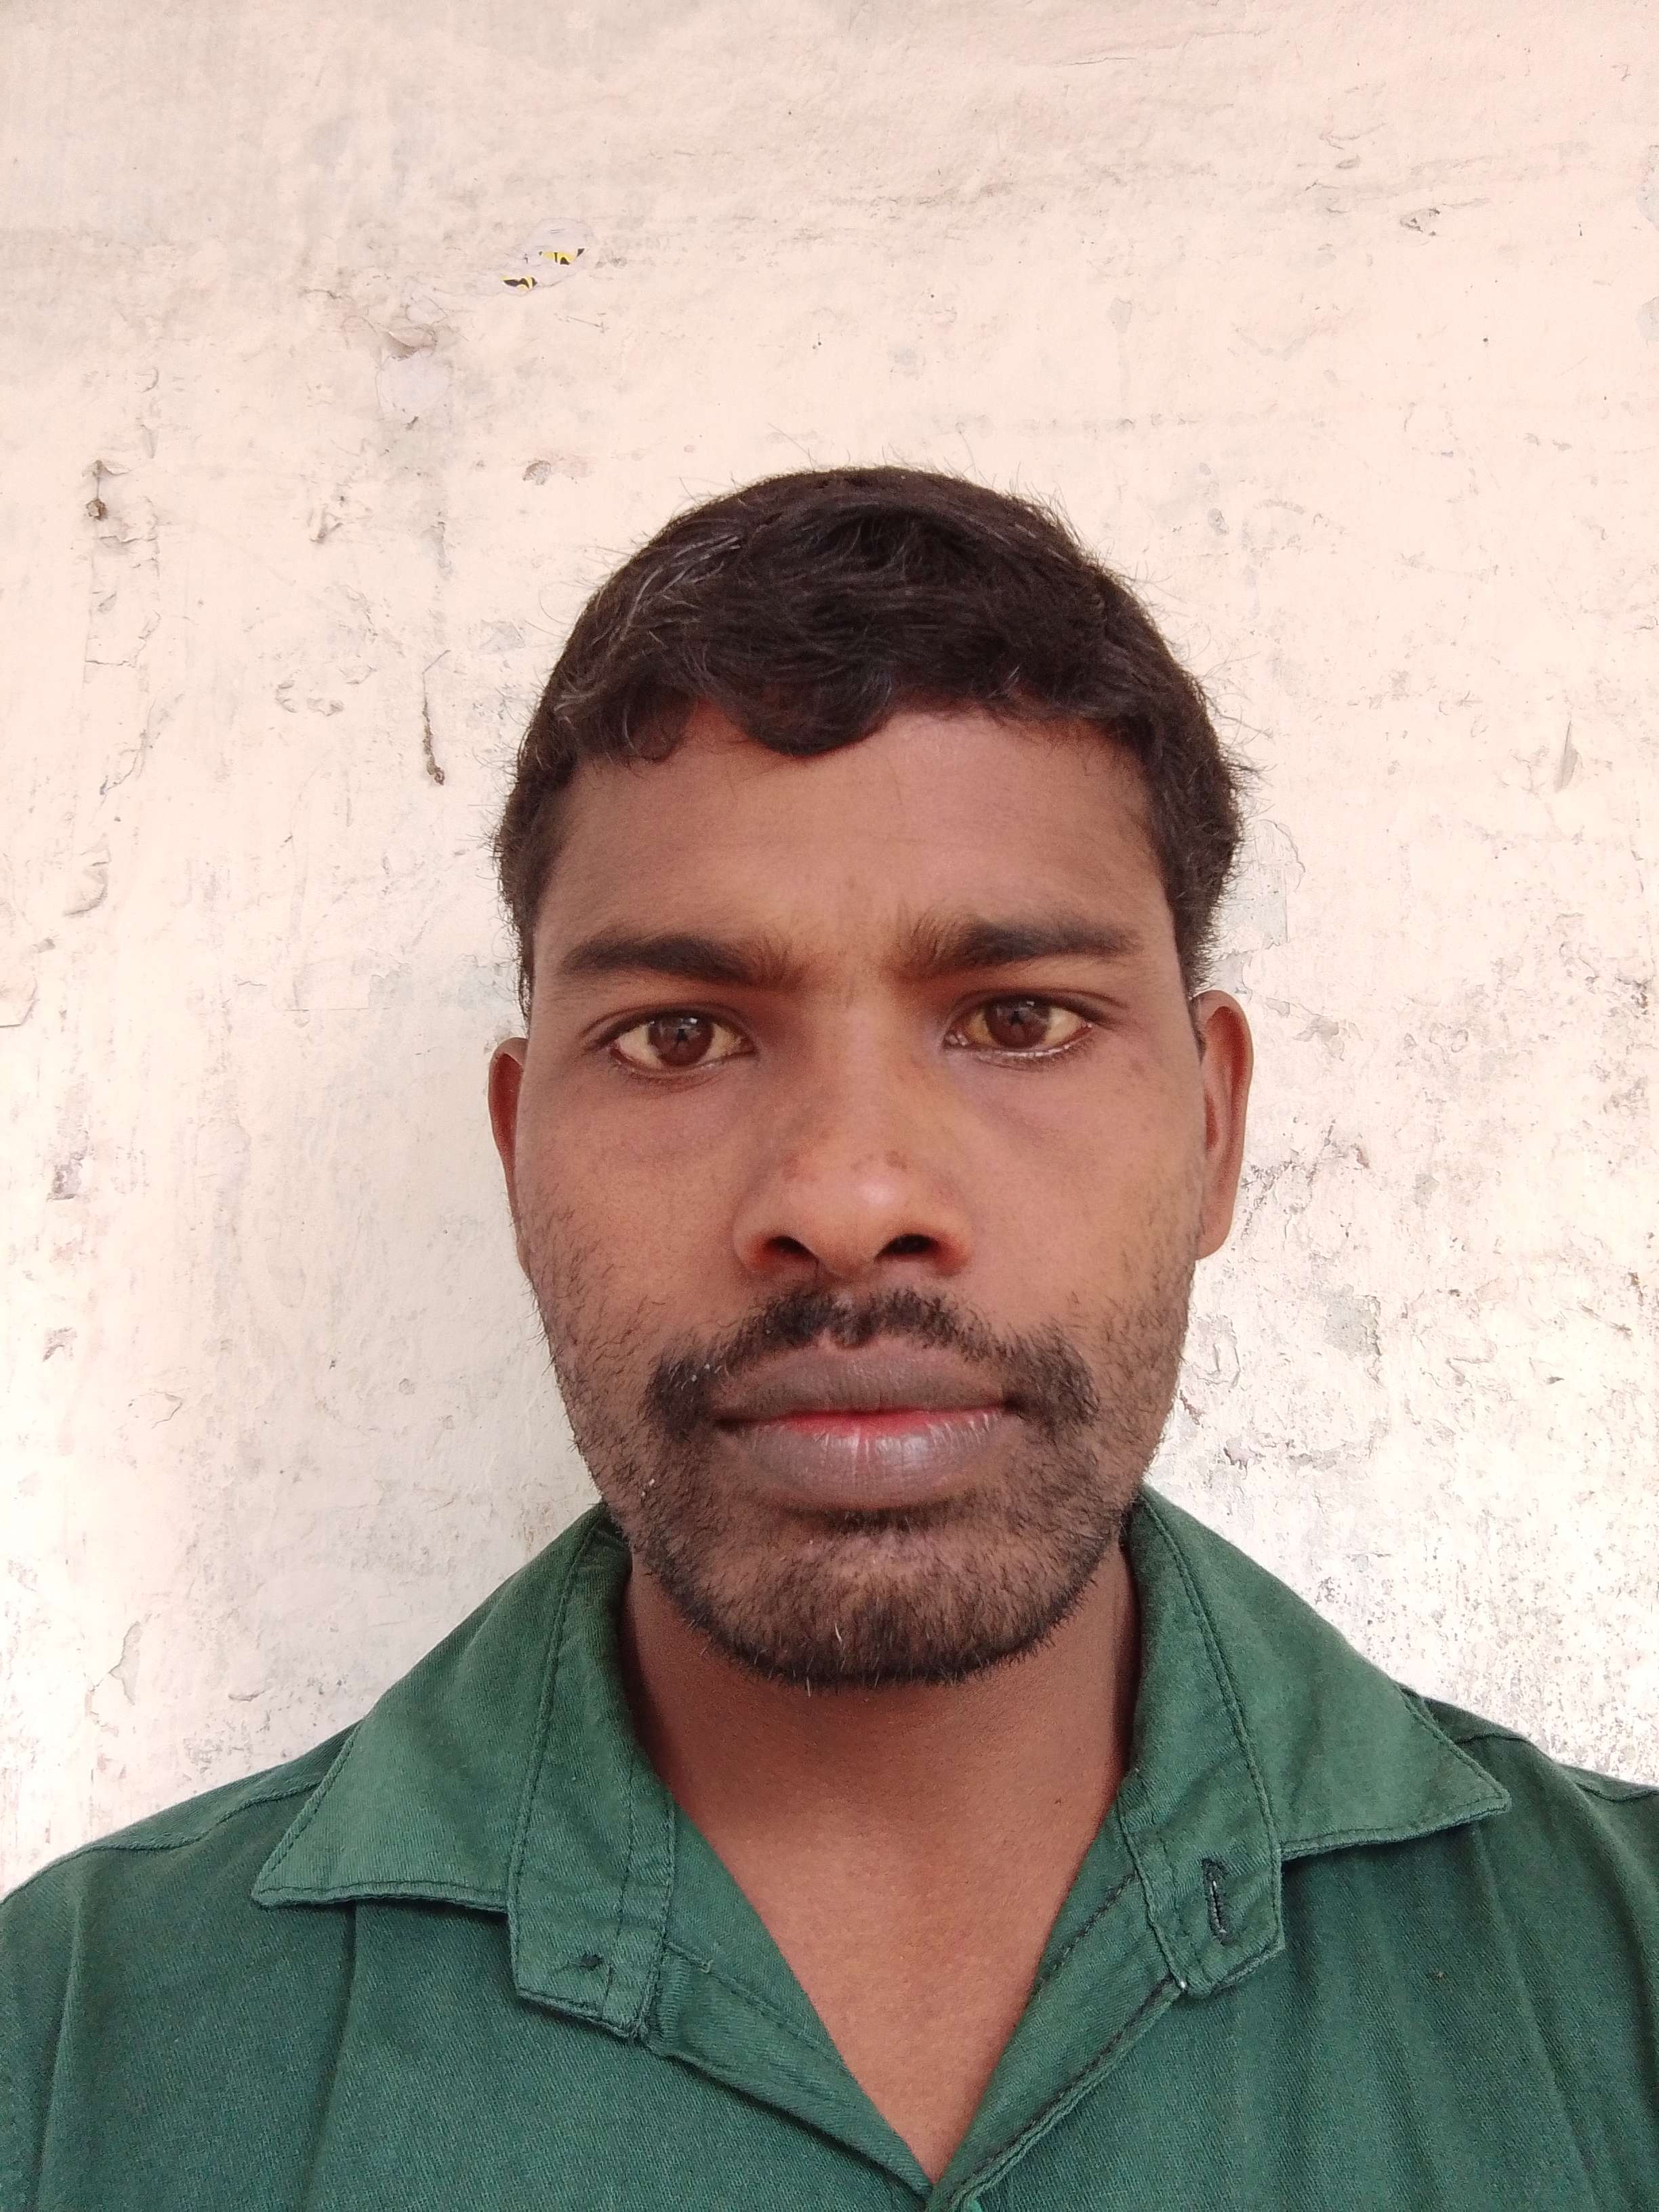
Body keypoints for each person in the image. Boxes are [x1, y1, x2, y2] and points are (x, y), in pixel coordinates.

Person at [3, 468, 1654, 2211]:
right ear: (517, 1157)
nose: (851, 1199)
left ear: (1215, 1131)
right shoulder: (68, 2063)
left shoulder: (1619, 1986)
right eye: (680, 1036)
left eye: (1019, 1020)